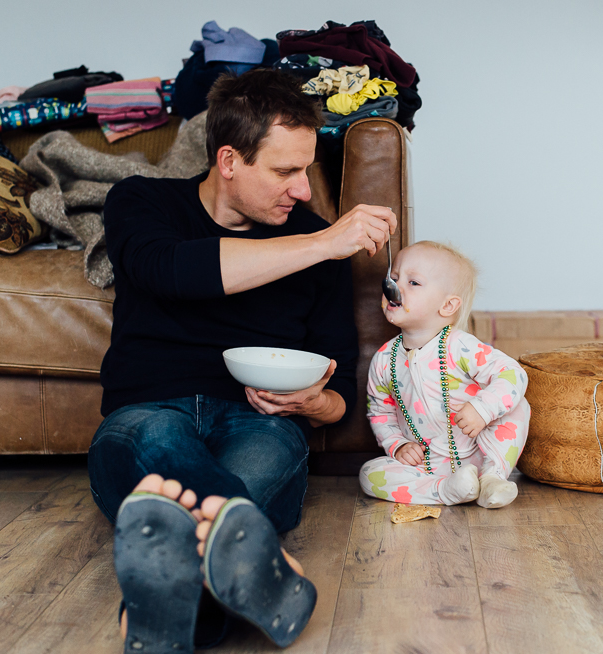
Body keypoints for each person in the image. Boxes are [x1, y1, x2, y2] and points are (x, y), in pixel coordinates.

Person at [87, 68, 396, 651]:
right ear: (229, 161)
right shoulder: (142, 200)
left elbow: (340, 395)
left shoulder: (313, 243)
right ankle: (262, 568)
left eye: (306, 169)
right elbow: (172, 271)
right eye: (285, 171)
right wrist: (325, 243)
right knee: (158, 445)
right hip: (149, 409)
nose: (304, 190)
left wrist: (317, 401)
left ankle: (180, 610)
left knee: (253, 468)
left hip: (261, 423)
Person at [360, 241, 530, 508]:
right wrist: (398, 445)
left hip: (479, 451)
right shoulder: (384, 360)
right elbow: (380, 412)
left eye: (413, 282)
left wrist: (483, 408)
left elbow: (513, 374)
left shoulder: (460, 346)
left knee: (519, 405)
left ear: (448, 305)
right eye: (394, 278)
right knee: (369, 474)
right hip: (425, 465)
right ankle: (445, 490)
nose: (394, 287)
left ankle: (492, 479)